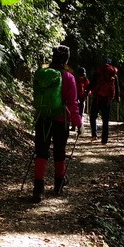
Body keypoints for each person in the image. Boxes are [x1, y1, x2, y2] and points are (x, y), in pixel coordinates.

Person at [32, 45, 82, 202]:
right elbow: (73, 103)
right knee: (59, 152)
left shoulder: (42, 74)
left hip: (42, 117)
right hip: (61, 120)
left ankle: (38, 188)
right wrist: (78, 123)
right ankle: (59, 184)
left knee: (41, 151)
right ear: (66, 59)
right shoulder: (68, 77)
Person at [88, 57, 120, 144]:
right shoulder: (113, 74)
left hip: (97, 98)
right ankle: (104, 140)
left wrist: (87, 91)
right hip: (107, 100)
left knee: (93, 117)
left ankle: (94, 135)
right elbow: (117, 87)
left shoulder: (98, 73)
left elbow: (92, 84)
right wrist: (117, 97)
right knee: (105, 120)